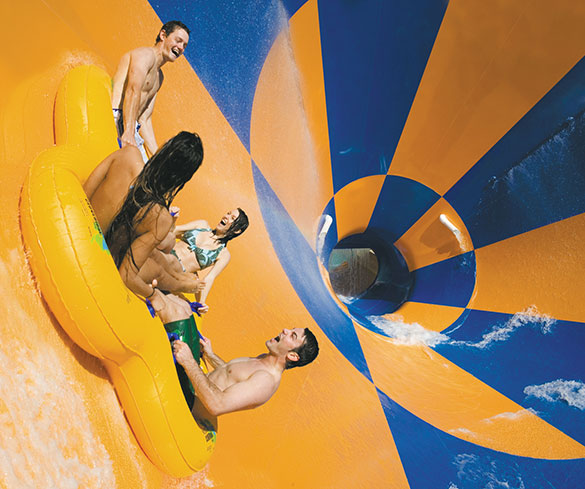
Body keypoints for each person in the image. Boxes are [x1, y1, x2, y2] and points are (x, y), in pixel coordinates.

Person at [84, 131, 204, 298]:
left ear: (165, 148)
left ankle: (179, 278)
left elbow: (85, 192)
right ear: (182, 178)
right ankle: (180, 284)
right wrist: (153, 295)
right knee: (157, 270)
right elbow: (127, 276)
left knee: (156, 256)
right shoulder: (159, 216)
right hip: (95, 257)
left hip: (80, 229)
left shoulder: (128, 154)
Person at [168, 304, 319, 422]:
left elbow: (217, 405)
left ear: (292, 355)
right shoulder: (264, 360)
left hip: (189, 408)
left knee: (175, 311)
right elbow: (231, 373)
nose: (285, 330)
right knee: (183, 308)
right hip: (190, 391)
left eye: (292, 335)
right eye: (291, 330)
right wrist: (210, 355)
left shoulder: (265, 381)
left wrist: (189, 362)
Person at [111, 20, 190, 162]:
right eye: (178, 41)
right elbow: (132, 91)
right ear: (163, 35)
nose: (181, 48)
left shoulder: (159, 77)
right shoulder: (145, 55)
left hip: (132, 126)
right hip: (117, 119)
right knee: (132, 169)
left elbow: (145, 119)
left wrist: (156, 156)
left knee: (150, 170)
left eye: (184, 45)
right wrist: (128, 133)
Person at [154, 209, 249, 312]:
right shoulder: (201, 225)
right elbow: (174, 231)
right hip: (165, 254)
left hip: (177, 272)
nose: (226, 216)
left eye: (232, 218)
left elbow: (210, 278)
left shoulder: (223, 254)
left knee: (195, 281)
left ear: (237, 230)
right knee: (169, 238)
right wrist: (172, 219)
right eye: (228, 213)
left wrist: (202, 302)